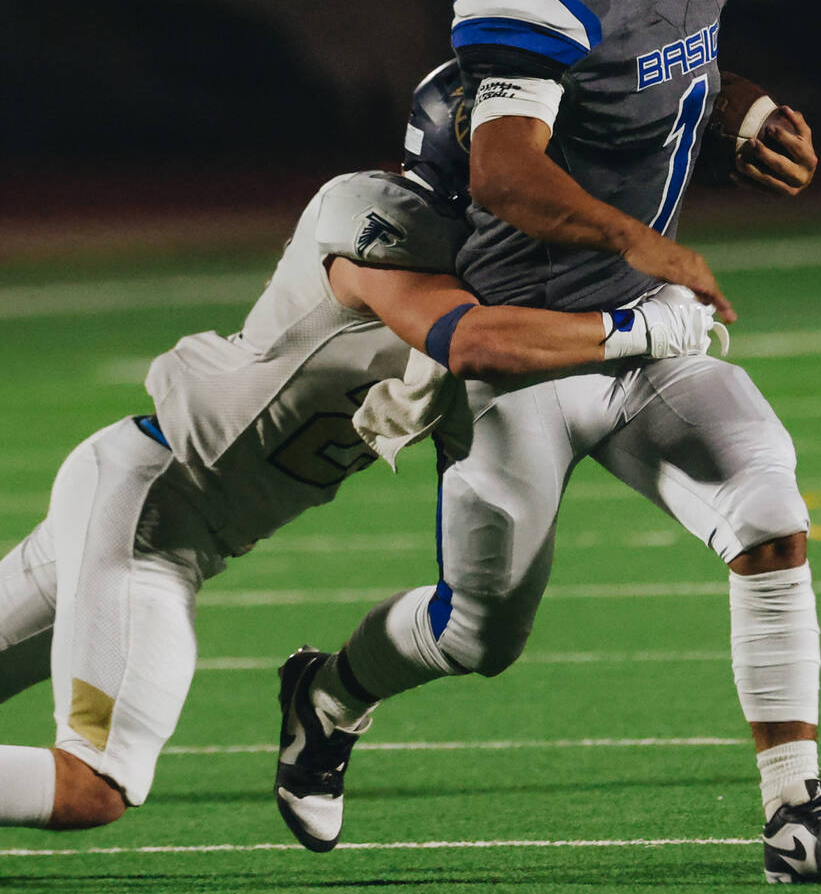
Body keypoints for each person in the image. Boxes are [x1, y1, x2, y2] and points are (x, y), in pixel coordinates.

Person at [271, 0, 821, 884]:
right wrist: (638, 237)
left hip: (646, 326)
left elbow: (677, 66)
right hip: (526, 351)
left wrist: (743, 109)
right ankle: (329, 691)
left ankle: (794, 811)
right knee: (480, 636)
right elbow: (509, 172)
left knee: (770, 516)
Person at [0, 64, 719, 834]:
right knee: (92, 786)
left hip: (164, 513)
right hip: (149, 509)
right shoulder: (373, 215)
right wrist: (639, 329)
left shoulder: (496, 264)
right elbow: (474, 342)